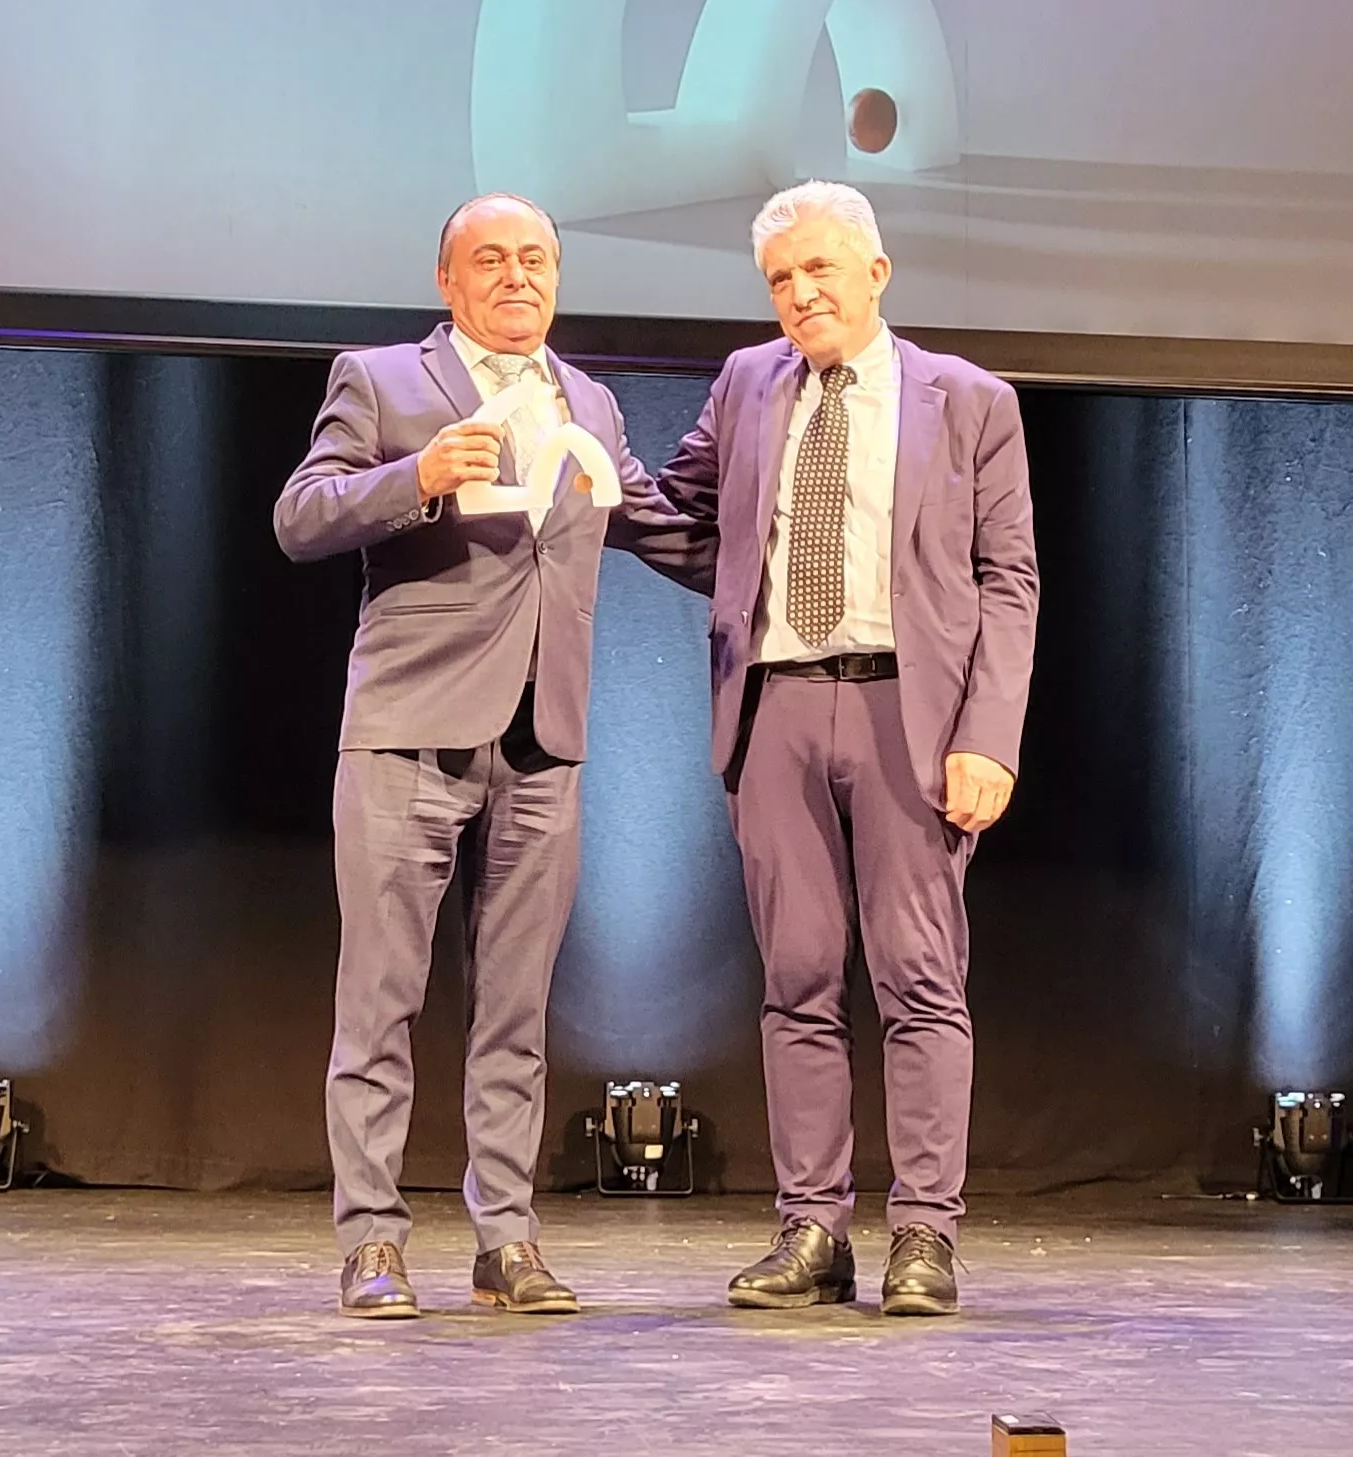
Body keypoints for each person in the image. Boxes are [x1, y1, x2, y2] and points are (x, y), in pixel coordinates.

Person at [274, 193, 706, 1319]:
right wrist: (414, 477)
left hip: (542, 740)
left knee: (516, 1012)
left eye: (535, 259)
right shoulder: (383, 380)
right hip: (408, 731)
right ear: (448, 279)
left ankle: (505, 1240)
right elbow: (301, 515)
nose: (517, 277)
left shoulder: (589, 401)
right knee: (380, 1003)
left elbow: (655, 524)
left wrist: (803, 565)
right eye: (492, 259)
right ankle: (372, 1240)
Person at [657, 181, 1039, 1316]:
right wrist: (576, 478)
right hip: (776, 705)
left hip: (906, 712)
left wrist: (988, 735)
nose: (799, 293)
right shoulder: (746, 383)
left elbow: (1009, 580)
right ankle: (813, 1229)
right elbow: (679, 513)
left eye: (818, 269)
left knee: (917, 978)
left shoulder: (970, 400)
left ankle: (924, 1232)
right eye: (779, 279)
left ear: (876, 272)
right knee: (797, 979)